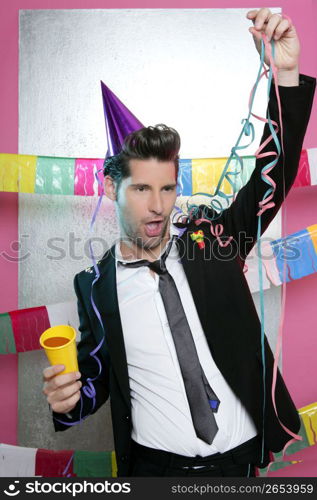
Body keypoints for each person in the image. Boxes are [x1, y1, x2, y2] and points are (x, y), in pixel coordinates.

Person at [42, 7, 316, 477]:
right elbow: (96, 382)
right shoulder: (93, 285)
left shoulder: (214, 241)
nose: (157, 207)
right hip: (155, 472)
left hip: (240, 466)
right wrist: (69, 399)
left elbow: (275, 176)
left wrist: (283, 73)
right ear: (112, 189)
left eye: (167, 189)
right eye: (141, 190)